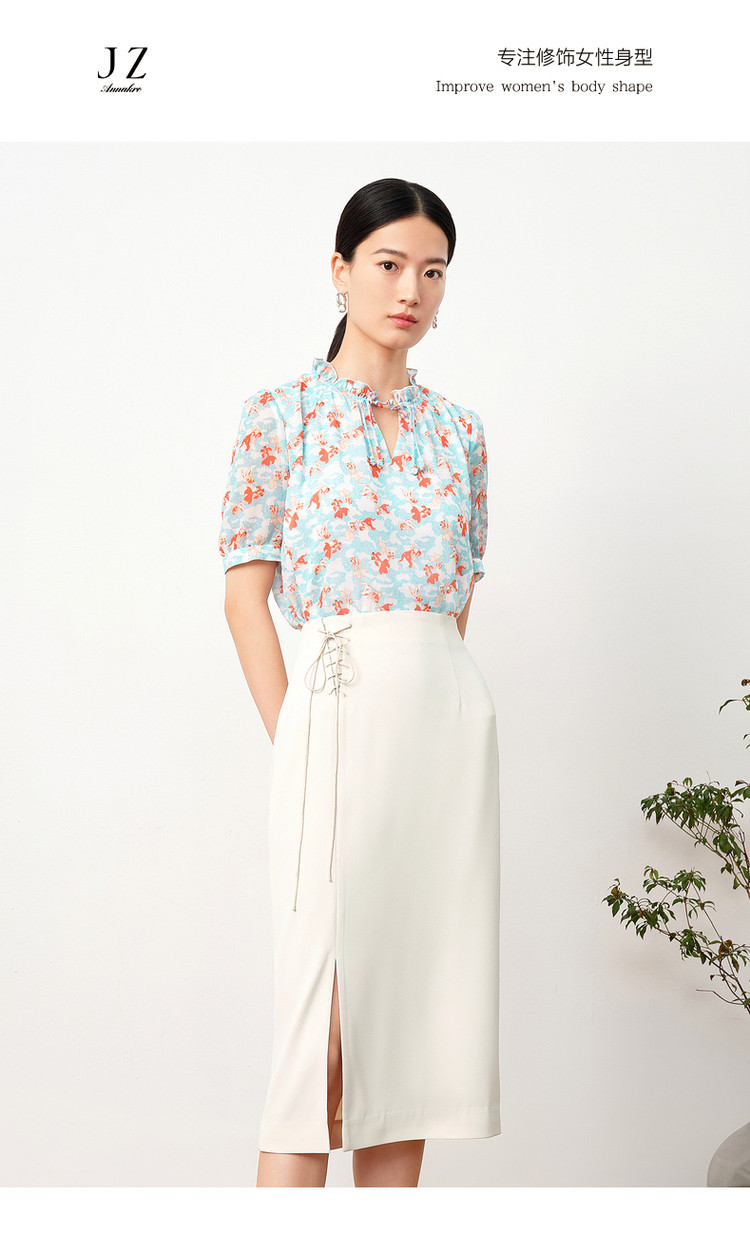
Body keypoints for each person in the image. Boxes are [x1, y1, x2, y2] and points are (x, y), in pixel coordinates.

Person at [219, 178, 501, 1188]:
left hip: (445, 734)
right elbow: (245, 600)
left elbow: (454, 606)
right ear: (340, 272)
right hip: (334, 721)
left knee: (404, 1048)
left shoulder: (461, 433)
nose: (410, 290)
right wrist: (296, 731)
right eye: (389, 264)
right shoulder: (279, 417)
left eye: (433, 271)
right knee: (322, 1045)